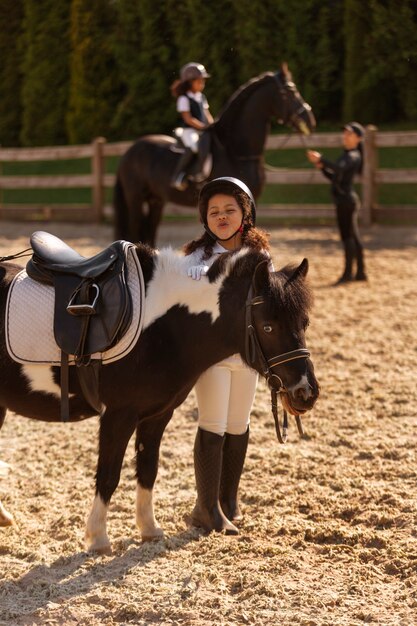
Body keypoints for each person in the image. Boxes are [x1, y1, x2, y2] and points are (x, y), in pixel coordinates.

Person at [183, 176, 271, 535]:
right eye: (214, 211)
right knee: (213, 422)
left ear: (244, 214)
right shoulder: (196, 257)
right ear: (205, 218)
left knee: (239, 424)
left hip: (247, 356)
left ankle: (228, 500)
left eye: (229, 210)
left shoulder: (261, 256)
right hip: (212, 357)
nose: (221, 216)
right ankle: (206, 508)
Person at [306, 122, 367, 284]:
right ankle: (360, 272)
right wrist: (322, 167)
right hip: (346, 200)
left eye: (350, 134)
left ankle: (348, 274)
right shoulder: (347, 155)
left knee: (347, 237)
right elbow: (335, 177)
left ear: (358, 138)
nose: (345, 136)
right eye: (345, 133)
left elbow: (339, 169)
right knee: (353, 236)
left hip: (346, 202)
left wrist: (322, 159)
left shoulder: (353, 156)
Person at [170, 62, 214, 191]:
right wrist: (203, 127)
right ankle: (178, 176)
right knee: (194, 146)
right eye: (199, 81)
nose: (202, 84)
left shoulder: (201, 97)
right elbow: (188, 119)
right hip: (188, 130)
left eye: (203, 81)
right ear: (189, 82)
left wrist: (212, 126)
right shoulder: (183, 99)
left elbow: (207, 114)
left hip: (201, 130)